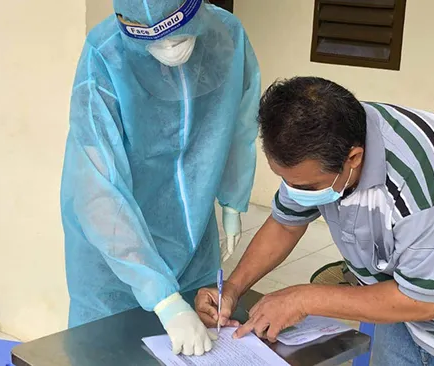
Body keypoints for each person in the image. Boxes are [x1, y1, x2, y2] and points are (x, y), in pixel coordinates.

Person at [195, 77, 434, 365]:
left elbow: (422, 301)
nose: (294, 192)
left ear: (354, 157)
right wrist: (233, 290)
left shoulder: (423, 182)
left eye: (306, 186)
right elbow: (287, 223)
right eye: (285, 180)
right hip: (408, 313)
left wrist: (302, 298)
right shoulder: (319, 149)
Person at [61, 0, 260, 356]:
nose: (169, 46)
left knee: (201, 345)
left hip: (194, 235)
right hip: (115, 257)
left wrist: (232, 198)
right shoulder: (104, 54)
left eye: (175, 30)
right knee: (109, 355)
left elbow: (239, 123)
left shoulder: (227, 36)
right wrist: (165, 301)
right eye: (152, 38)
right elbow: (98, 187)